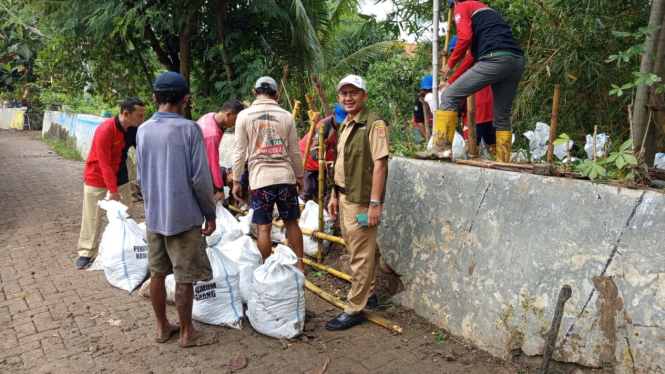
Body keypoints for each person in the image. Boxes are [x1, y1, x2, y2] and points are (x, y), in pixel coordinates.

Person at [136, 71, 218, 348]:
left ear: (154, 98)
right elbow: (200, 180)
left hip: (154, 216)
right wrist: (210, 213)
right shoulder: (189, 129)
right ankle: (187, 333)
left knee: (157, 272)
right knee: (185, 276)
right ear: (185, 98)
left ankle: (162, 328)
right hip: (183, 216)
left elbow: (140, 177)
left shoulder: (143, 129)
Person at [326, 75, 389, 331]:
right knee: (358, 250)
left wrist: (374, 204)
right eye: (344, 93)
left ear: (365, 96)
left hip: (362, 203)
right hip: (345, 196)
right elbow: (341, 163)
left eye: (354, 93)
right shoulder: (346, 124)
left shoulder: (374, 125)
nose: (348, 98)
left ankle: (355, 308)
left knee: (360, 255)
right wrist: (333, 194)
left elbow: (380, 164)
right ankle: (368, 294)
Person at [231, 76, 305, 272]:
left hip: (260, 180)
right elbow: (295, 151)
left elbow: (240, 151)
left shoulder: (244, 116)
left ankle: (268, 268)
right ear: (277, 95)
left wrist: (236, 180)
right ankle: (299, 264)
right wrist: (299, 175)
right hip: (285, 178)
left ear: (254, 93)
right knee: (291, 223)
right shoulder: (286, 116)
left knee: (263, 228)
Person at [438, 0, 525, 162]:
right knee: (501, 117)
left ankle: (439, 152)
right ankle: (503, 162)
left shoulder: (462, 6)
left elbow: (464, 37)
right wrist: (451, 81)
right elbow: (471, 57)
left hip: (495, 59)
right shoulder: (487, 13)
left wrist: (449, 65)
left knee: (448, 96)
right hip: (517, 61)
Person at [75, 97, 145, 269]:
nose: (142, 120)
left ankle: (126, 249)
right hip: (96, 177)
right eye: (140, 116)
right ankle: (87, 252)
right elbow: (104, 163)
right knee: (93, 216)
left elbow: (143, 152)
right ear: (126, 114)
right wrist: (112, 191)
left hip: (120, 176)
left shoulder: (133, 129)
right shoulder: (105, 131)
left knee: (126, 214)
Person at [444, 35, 496, 155]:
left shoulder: (466, 66)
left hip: (475, 111)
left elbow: (459, 94)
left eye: (454, 52)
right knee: (492, 141)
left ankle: (473, 161)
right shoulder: (482, 60)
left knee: (472, 144)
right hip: (491, 109)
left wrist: (455, 112)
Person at [298, 103, 348, 202]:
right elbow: (313, 152)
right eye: (339, 121)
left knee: (321, 190)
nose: (340, 123)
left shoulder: (346, 127)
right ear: (333, 114)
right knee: (306, 190)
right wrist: (321, 153)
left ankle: (317, 212)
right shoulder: (324, 127)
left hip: (323, 164)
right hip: (307, 159)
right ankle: (302, 214)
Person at [196, 100, 244, 202]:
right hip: (197, 170)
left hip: (198, 164)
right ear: (228, 114)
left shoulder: (210, 116)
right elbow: (213, 163)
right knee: (214, 202)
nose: (236, 124)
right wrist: (220, 189)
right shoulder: (212, 135)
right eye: (236, 120)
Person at [413, 75, 433, 144]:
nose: (427, 92)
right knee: (419, 142)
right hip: (421, 123)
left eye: (430, 90)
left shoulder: (439, 97)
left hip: (433, 122)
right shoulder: (418, 100)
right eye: (425, 90)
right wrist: (427, 139)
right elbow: (419, 122)